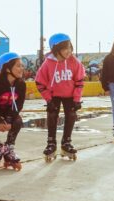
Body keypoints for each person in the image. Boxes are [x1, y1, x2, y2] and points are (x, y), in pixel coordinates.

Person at [35, 33, 85, 162]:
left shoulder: (74, 62)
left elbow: (79, 82)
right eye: (65, 48)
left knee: (71, 114)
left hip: (70, 95)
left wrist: (77, 100)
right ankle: (51, 143)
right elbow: (40, 83)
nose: (69, 51)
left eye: (70, 47)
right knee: (52, 114)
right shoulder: (47, 64)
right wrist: (48, 100)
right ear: (56, 49)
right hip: (54, 95)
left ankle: (66, 143)